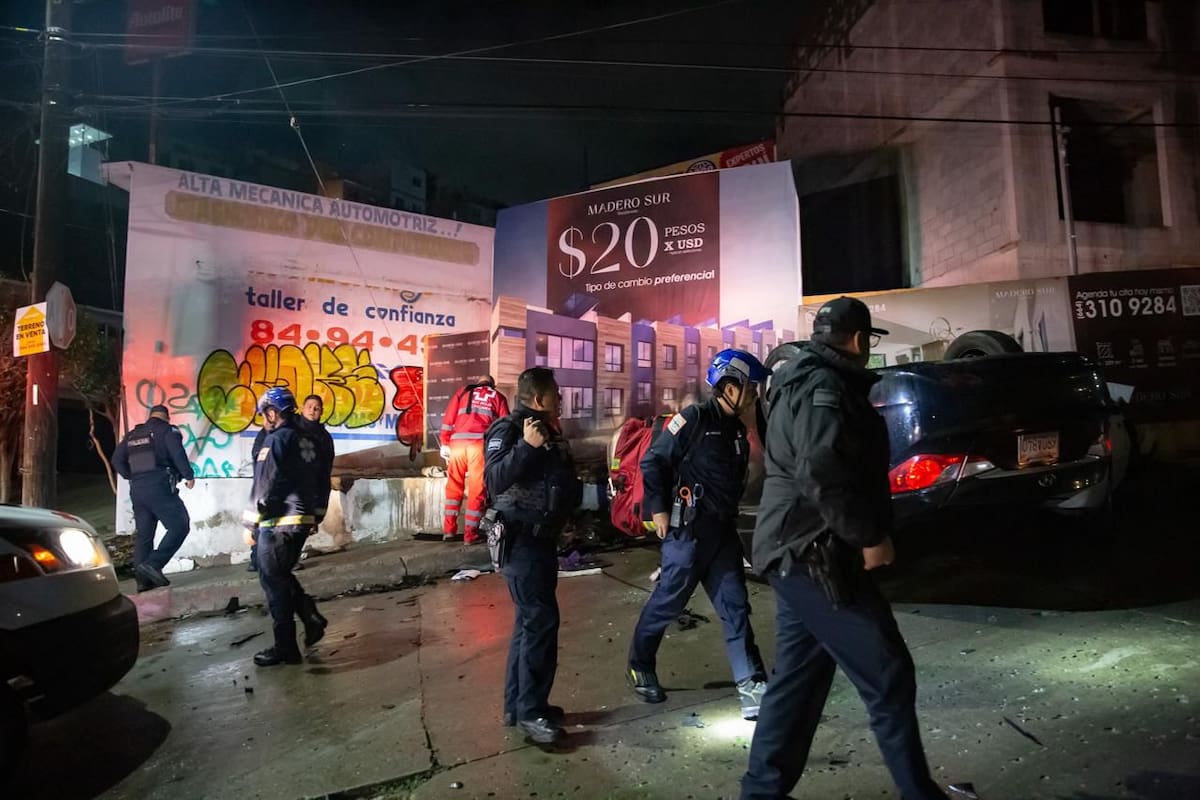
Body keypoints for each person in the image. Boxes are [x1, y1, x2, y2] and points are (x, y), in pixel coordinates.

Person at [741, 297, 949, 800]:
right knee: (888, 672)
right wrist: (869, 536)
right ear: (859, 341)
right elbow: (822, 469)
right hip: (813, 554)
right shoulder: (824, 386)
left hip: (793, 550)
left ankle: (761, 792)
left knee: (797, 682)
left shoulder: (802, 377)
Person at [627, 349, 770, 720]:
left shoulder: (736, 429)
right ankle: (639, 663)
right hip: (687, 536)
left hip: (721, 534)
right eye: (751, 386)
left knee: (735, 607)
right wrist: (658, 508)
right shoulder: (692, 420)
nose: (756, 393)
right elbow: (653, 460)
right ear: (729, 386)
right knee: (668, 605)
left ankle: (751, 682)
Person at [484, 367, 580, 744]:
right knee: (540, 622)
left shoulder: (551, 433)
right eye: (555, 393)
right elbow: (493, 480)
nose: (560, 399)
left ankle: (518, 705)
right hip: (520, 542)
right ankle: (532, 713)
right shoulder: (508, 430)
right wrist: (525, 447)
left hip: (542, 541)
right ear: (539, 398)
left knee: (529, 623)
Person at [243, 387, 326, 667]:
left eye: (265, 413)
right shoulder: (309, 439)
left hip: (278, 521)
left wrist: (249, 522)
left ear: (272, 412)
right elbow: (321, 476)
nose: (264, 420)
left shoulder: (276, 439)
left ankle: (286, 646)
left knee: (271, 579)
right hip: (301, 519)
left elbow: (264, 483)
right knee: (279, 574)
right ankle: (309, 615)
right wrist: (317, 514)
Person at [113, 404, 195, 592]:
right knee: (180, 525)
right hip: (159, 487)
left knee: (144, 535)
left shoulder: (133, 435)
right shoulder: (167, 430)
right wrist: (188, 475)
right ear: (167, 417)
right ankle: (154, 564)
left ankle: (143, 582)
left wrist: (131, 476)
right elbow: (177, 453)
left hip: (138, 490)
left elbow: (117, 460)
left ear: (150, 416)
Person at [440, 375, 509, 543]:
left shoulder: (463, 392)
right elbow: (506, 426)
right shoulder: (498, 396)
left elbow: (448, 419)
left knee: (453, 487)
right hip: (478, 445)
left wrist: (445, 442)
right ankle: (470, 535)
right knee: (476, 489)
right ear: (492, 385)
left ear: (478, 383)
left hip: (457, 444)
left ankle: (449, 530)